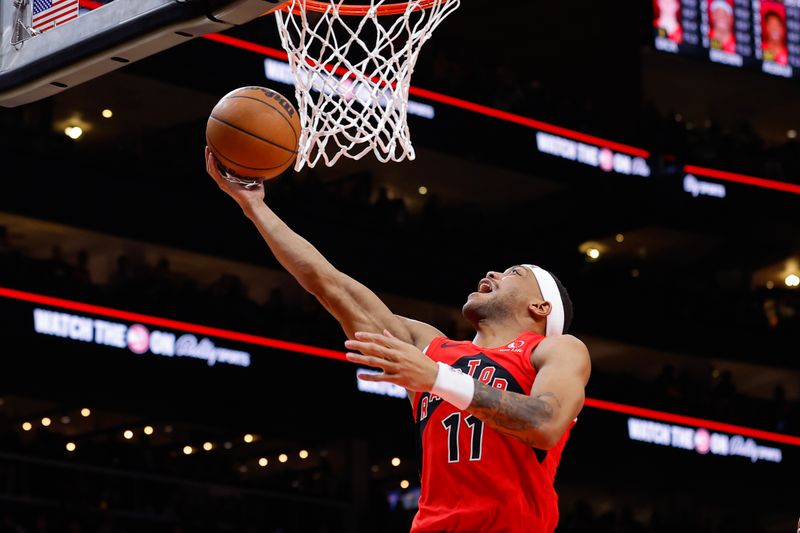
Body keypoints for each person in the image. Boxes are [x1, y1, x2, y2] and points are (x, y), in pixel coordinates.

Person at [205, 148, 591, 533]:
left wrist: (437, 379)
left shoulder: (556, 349)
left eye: (514, 273)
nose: (494, 272)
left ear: (541, 307)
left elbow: (547, 422)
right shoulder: (433, 347)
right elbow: (329, 283)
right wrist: (253, 205)